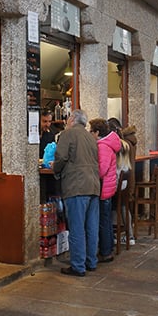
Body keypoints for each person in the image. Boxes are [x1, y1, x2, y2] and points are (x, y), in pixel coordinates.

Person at [52, 109, 101, 277]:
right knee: (91, 226)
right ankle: (91, 261)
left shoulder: (68, 134)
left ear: (72, 119)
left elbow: (61, 157)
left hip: (76, 185)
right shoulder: (90, 137)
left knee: (77, 227)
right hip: (93, 184)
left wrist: (55, 170)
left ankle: (78, 266)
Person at [89, 118, 121, 263]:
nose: (90, 133)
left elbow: (102, 170)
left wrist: (90, 170)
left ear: (97, 132)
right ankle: (107, 249)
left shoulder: (103, 146)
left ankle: (106, 251)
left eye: (91, 131)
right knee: (106, 220)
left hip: (103, 188)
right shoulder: (108, 144)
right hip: (108, 187)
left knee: (103, 220)